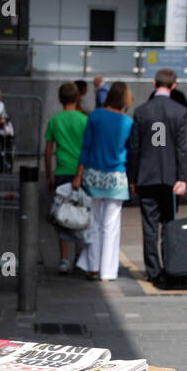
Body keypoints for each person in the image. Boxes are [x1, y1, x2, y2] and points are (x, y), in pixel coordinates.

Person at [126, 67, 187, 284]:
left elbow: (135, 147)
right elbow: (181, 147)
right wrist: (182, 177)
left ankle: (153, 270)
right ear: (174, 86)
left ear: (154, 84)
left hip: (146, 176)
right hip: (170, 177)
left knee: (149, 226)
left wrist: (132, 178)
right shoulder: (179, 111)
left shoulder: (142, 111)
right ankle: (170, 264)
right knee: (169, 224)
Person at [71, 81, 134, 281]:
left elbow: (86, 146)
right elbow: (130, 152)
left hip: (93, 175)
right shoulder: (127, 122)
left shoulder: (95, 116)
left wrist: (78, 173)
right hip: (116, 177)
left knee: (94, 224)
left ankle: (92, 266)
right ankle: (108, 271)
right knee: (111, 226)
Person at [44, 82, 87, 272]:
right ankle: (80, 256)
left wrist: (48, 176)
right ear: (78, 98)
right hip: (81, 172)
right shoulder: (84, 120)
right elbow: (88, 148)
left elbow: (47, 151)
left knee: (62, 214)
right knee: (81, 212)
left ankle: (63, 260)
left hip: (61, 172)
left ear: (60, 99)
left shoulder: (54, 120)